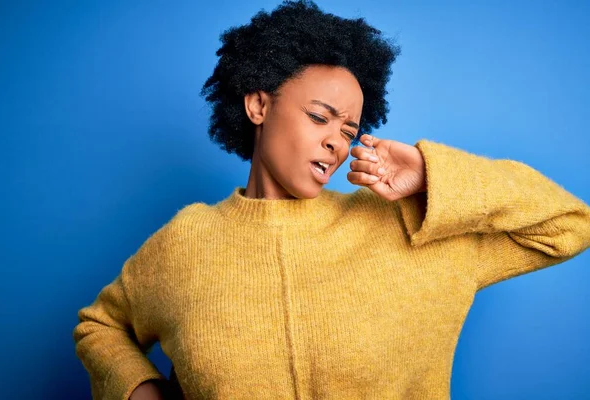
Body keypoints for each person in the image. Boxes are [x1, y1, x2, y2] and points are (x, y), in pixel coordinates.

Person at [72, 1, 590, 399]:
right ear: (258, 104)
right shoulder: (185, 242)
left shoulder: (408, 226)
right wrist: (141, 389)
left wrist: (433, 174)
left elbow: (569, 222)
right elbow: (101, 325)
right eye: (320, 117)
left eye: (349, 130)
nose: (336, 143)